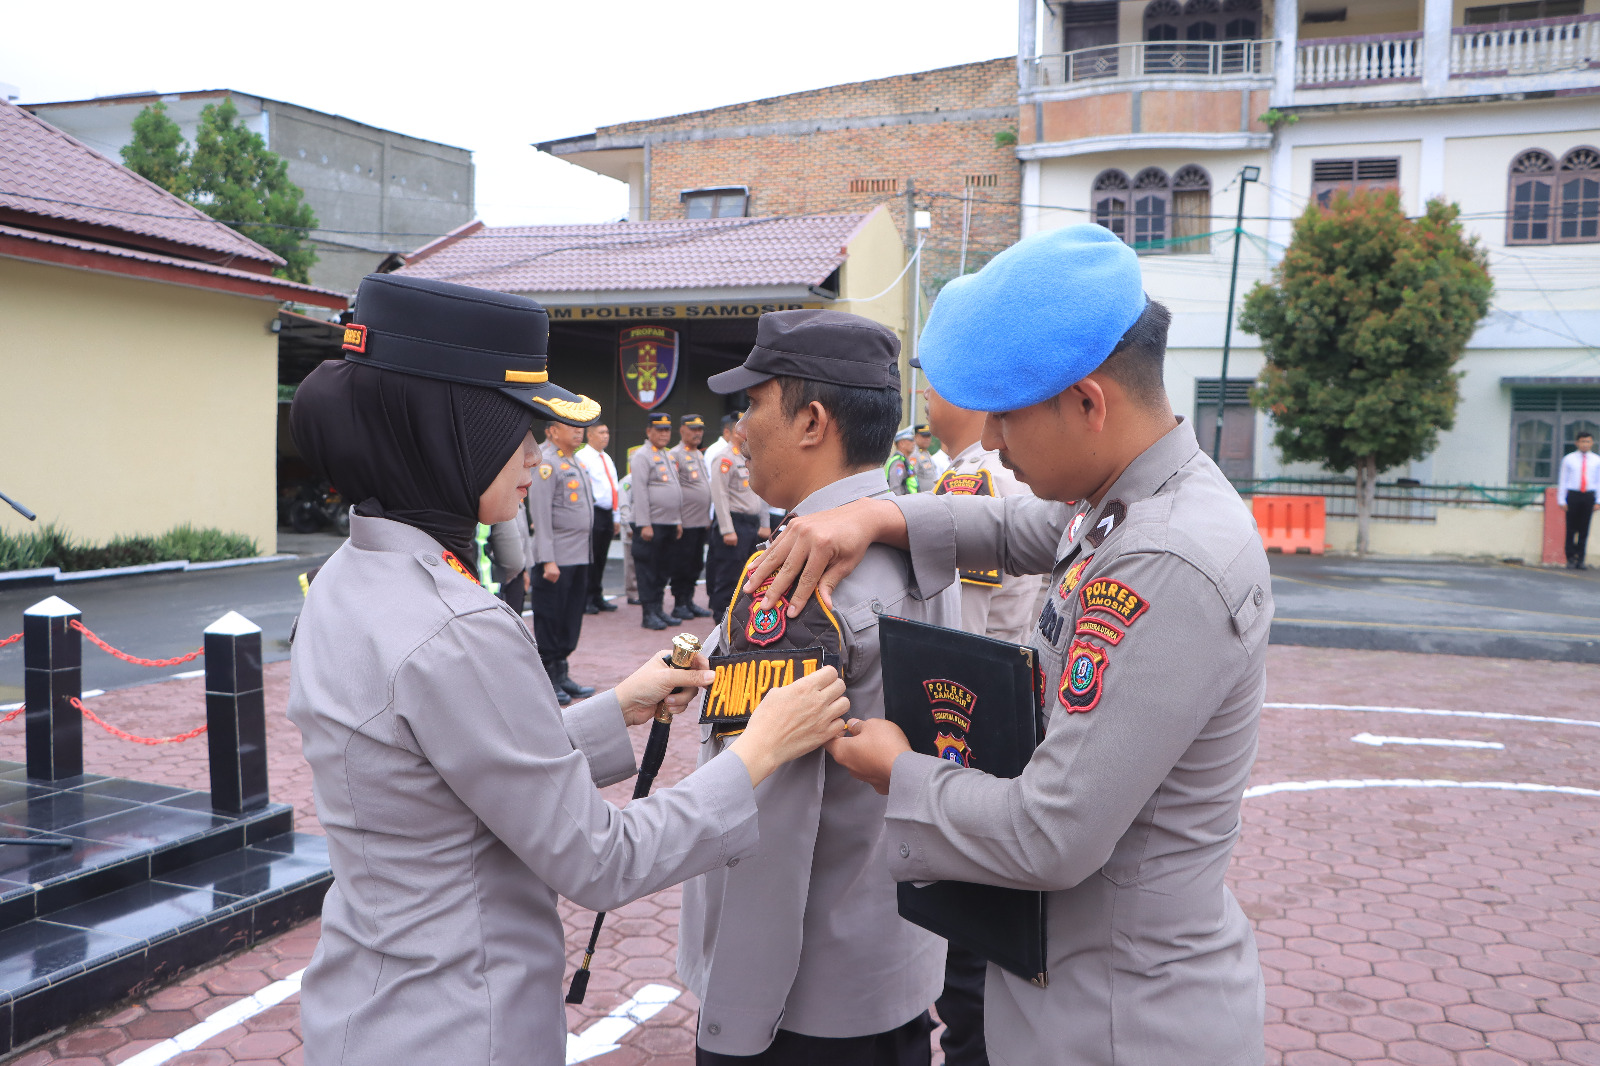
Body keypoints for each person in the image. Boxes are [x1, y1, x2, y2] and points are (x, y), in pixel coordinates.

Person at [286, 272, 854, 1066]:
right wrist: (760, 751)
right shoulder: (457, 625)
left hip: (370, 1007)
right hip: (461, 1022)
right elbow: (599, 858)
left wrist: (618, 703)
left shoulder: (351, 576)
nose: (535, 448)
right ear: (446, 431)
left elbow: (458, 770)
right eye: (516, 425)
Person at [743, 225, 1272, 1066]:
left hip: (1120, 1024)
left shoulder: (1165, 559)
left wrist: (896, 769)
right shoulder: (1129, 499)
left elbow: (1049, 834)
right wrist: (874, 514)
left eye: (1008, 416)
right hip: (1080, 991)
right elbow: (1019, 527)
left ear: (1088, 402)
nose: (991, 442)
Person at [681, 309, 959, 1066]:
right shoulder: (911, 536)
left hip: (795, 1003)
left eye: (752, 404)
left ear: (810, 421)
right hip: (884, 964)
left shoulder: (805, 577)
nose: (738, 427)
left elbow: (770, 819)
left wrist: (732, 1017)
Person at [530, 420, 595, 705]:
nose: (578, 431)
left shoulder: (575, 460)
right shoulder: (546, 463)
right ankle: (549, 676)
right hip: (557, 558)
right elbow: (540, 514)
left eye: (580, 427)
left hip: (579, 555)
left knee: (570, 617)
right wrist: (547, 560)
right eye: (570, 426)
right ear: (552, 431)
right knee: (551, 618)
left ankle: (563, 671)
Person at [704, 417, 770, 622]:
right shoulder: (724, 458)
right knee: (728, 573)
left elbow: (761, 492)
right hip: (734, 523)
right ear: (732, 432)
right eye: (741, 430)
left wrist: (764, 523)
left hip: (751, 524)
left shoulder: (751, 457)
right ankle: (720, 618)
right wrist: (726, 529)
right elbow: (720, 495)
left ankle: (739, 615)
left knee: (748, 572)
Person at [630, 413, 682, 629]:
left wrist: (678, 520)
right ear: (648, 431)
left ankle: (659, 610)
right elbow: (639, 491)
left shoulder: (667, 455)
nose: (663, 434)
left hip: (669, 523)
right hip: (651, 525)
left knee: (662, 571)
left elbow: (675, 489)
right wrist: (645, 523)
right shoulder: (642, 455)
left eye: (667, 430)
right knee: (648, 571)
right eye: (659, 430)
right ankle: (648, 613)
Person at [669, 414, 715, 619]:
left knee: (696, 563)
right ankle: (679, 602)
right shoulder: (675, 454)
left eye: (700, 429)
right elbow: (673, 489)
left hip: (700, 521)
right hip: (685, 521)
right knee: (682, 563)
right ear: (682, 430)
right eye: (693, 429)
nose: (698, 433)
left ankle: (688, 600)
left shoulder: (698, 454)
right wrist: (676, 519)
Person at [575, 421, 620, 613]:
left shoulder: (606, 458)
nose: (606, 435)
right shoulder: (582, 457)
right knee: (590, 557)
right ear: (590, 435)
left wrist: (616, 516)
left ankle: (597, 595)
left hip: (607, 513)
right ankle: (586, 599)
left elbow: (614, 488)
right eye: (601, 432)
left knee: (601, 557)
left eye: (607, 431)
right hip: (592, 512)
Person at [1559, 430, 1598, 570]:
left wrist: (1598, 500)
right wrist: (1562, 500)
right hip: (1573, 495)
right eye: (1582, 441)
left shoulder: (1596, 460)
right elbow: (1563, 479)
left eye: (1588, 441)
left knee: (1584, 529)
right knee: (1571, 528)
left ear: (1592, 443)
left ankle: (1580, 559)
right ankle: (1570, 558)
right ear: (1577, 443)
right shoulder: (1569, 459)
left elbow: (1598, 481)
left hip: (1588, 496)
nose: (1585, 444)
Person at [884, 428, 917, 495]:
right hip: (903, 503)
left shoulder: (904, 460)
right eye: (910, 440)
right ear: (901, 443)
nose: (914, 443)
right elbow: (895, 487)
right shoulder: (898, 462)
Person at [911, 424, 939, 490]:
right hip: (920, 496)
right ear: (916, 437)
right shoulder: (914, 455)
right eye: (924, 436)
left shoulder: (926, 453)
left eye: (928, 436)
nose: (927, 439)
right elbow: (912, 479)